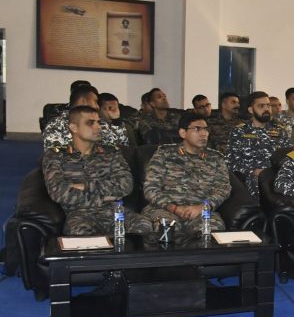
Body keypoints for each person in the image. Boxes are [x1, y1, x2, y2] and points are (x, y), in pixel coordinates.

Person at [42, 105, 150, 235]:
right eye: (90, 123)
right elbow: (59, 193)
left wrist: (84, 186)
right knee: (81, 234)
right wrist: (107, 197)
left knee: (144, 225)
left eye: (99, 122)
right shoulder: (56, 156)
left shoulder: (111, 153)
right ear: (74, 128)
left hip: (115, 212)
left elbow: (125, 185)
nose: (98, 127)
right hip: (81, 215)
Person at [141, 112, 232, 234]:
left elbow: (223, 188)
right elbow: (150, 188)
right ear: (183, 133)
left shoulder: (216, 158)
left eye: (206, 129)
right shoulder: (164, 154)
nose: (204, 133)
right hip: (164, 209)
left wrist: (202, 207)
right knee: (168, 229)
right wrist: (174, 208)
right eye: (197, 129)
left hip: (200, 211)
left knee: (210, 229)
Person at [227, 91, 291, 196]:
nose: (266, 109)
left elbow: (289, 158)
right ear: (251, 110)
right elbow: (230, 162)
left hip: (276, 177)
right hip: (250, 179)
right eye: (261, 106)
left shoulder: (280, 131)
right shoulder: (239, 132)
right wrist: (252, 171)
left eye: (268, 105)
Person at [44, 85, 130, 149]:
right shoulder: (57, 124)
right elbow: (55, 158)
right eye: (95, 102)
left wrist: (116, 120)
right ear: (83, 101)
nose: (97, 107)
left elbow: (122, 149)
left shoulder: (101, 122)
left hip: (104, 168)